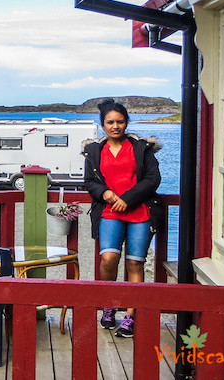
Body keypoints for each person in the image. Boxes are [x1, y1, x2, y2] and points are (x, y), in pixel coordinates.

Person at [83, 98, 162, 338]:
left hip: (139, 212)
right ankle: (109, 305)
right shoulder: (94, 150)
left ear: (126, 123)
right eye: (110, 122)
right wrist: (105, 192)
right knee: (108, 259)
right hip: (109, 212)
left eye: (120, 121)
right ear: (102, 124)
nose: (115, 126)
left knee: (135, 263)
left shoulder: (141, 147)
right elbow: (89, 182)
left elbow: (153, 179)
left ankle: (130, 316)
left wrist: (128, 198)